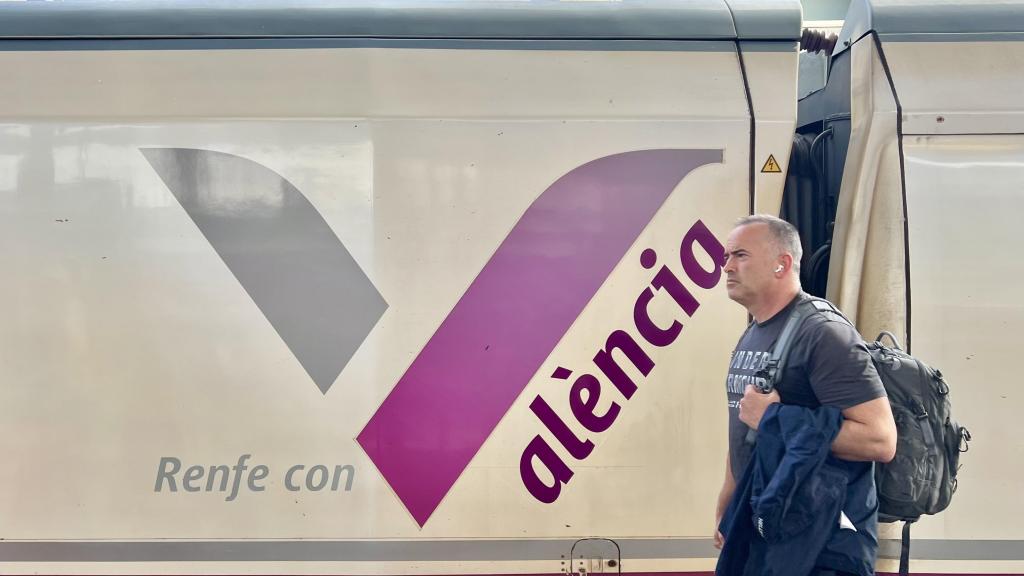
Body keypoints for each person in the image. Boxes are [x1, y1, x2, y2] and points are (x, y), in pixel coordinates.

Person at [713, 215, 897, 575]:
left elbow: (881, 440)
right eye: (725, 257)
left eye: (740, 255)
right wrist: (729, 494)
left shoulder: (824, 334)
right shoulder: (755, 331)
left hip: (820, 545)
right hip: (767, 523)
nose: (727, 267)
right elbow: (744, 421)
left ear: (782, 264)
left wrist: (772, 418)